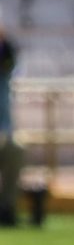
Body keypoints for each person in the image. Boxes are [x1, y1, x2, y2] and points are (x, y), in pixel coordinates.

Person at [0, 28, 23, 226]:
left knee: (16, 150)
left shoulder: (3, 74)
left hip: (2, 135)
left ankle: (6, 209)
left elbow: (8, 55)